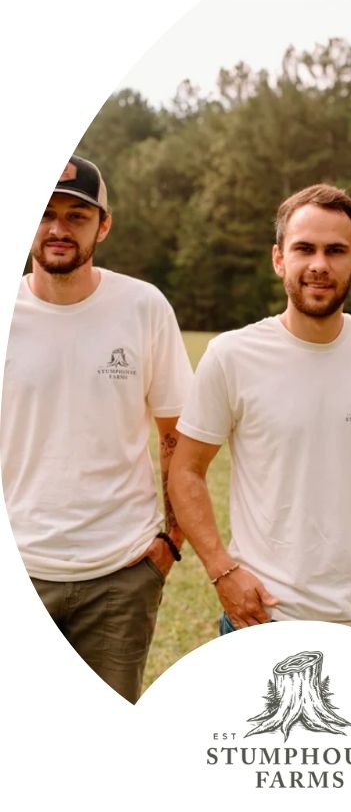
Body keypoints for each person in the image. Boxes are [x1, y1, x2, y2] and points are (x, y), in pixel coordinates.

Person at [168, 183, 351, 644]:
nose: (319, 265)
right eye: (304, 248)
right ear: (278, 259)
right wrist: (220, 569)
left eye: (336, 250)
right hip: (261, 618)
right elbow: (186, 471)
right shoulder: (231, 355)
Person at [1, 154, 193, 703]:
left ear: (102, 226)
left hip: (120, 575)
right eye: (45, 214)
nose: (59, 228)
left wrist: (168, 543)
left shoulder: (142, 306)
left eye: (77, 216)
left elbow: (176, 432)